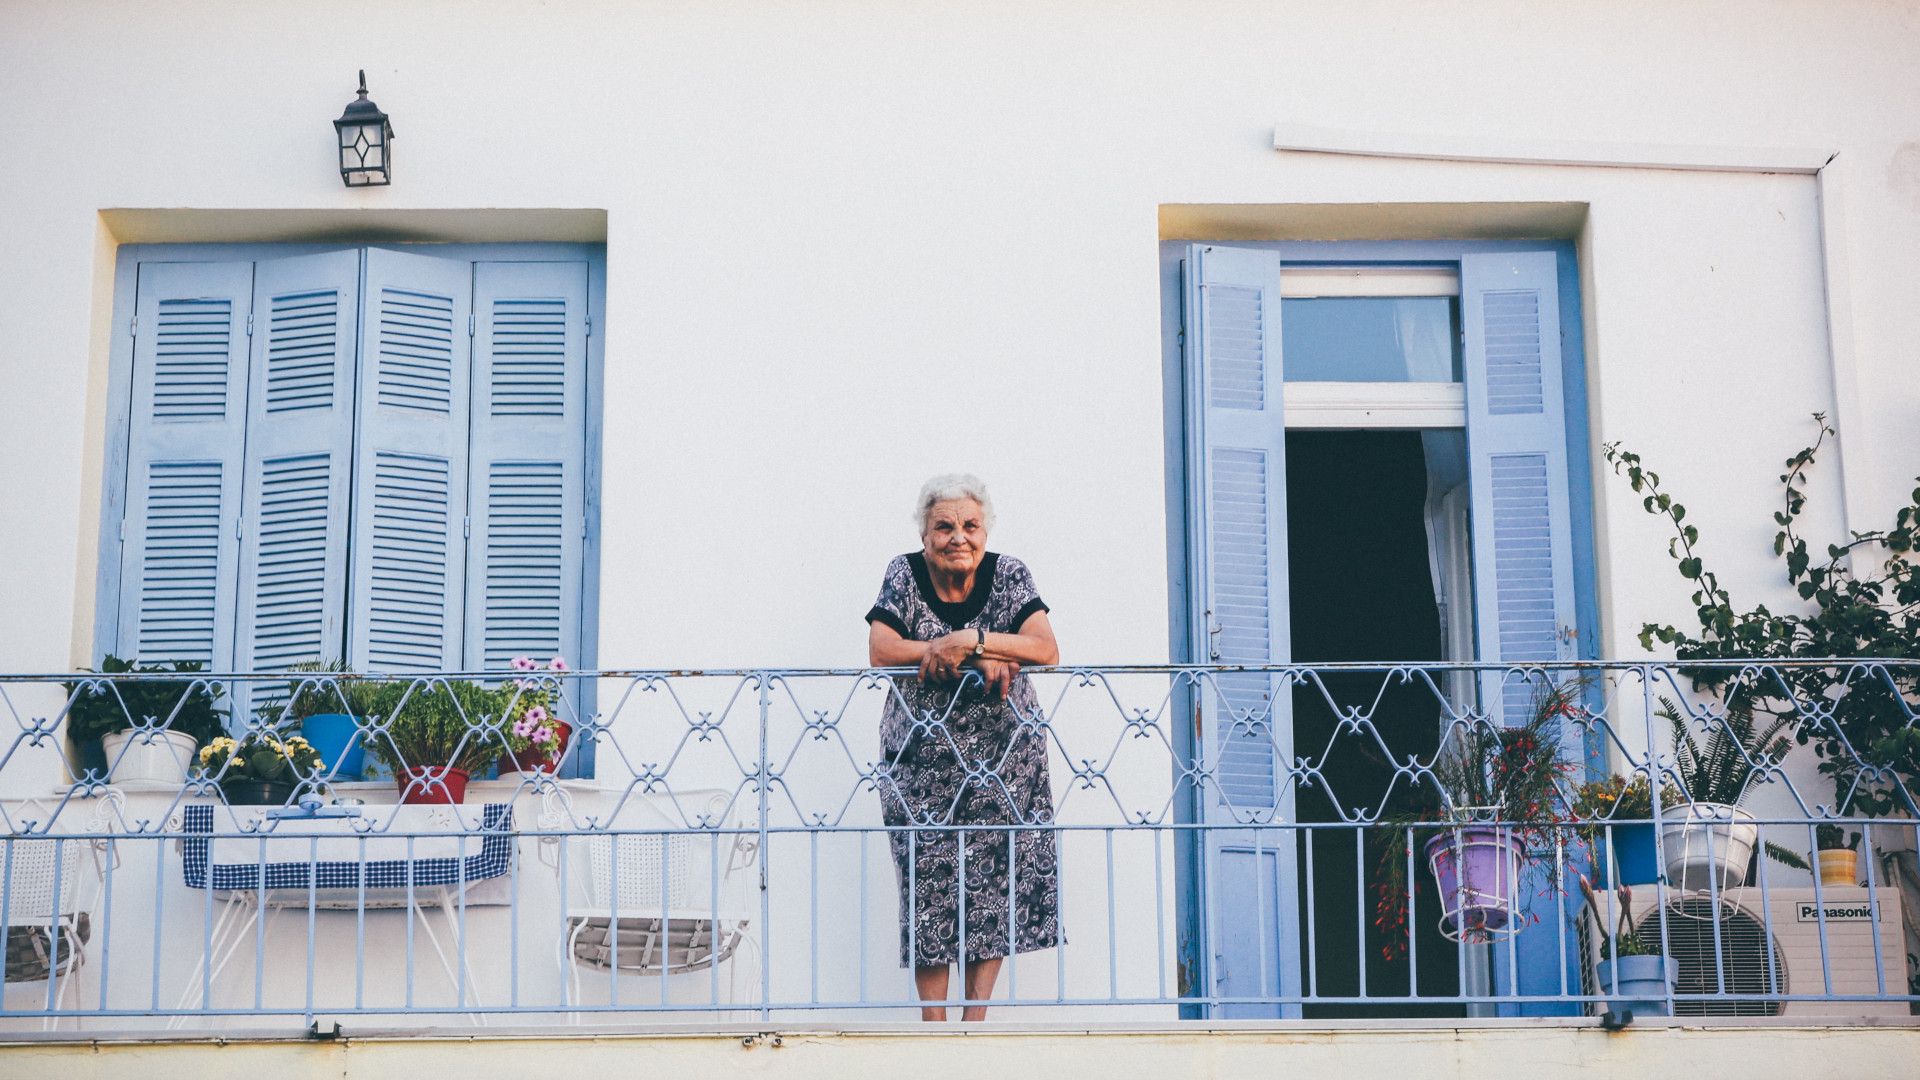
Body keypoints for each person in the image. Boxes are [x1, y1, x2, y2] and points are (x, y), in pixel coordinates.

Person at [865, 474, 1061, 1021]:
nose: (958, 537)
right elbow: (882, 649)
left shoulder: (1011, 574)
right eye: (944, 526)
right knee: (928, 882)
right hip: (922, 761)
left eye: (970, 525)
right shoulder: (903, 574)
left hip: (1006, 758)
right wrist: (957, 651)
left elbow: (1045, 648)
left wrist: (971, 641)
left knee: (996, 877)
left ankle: (975, 1020)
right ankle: (935, 1024)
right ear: (925, 534)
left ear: (985, 531)